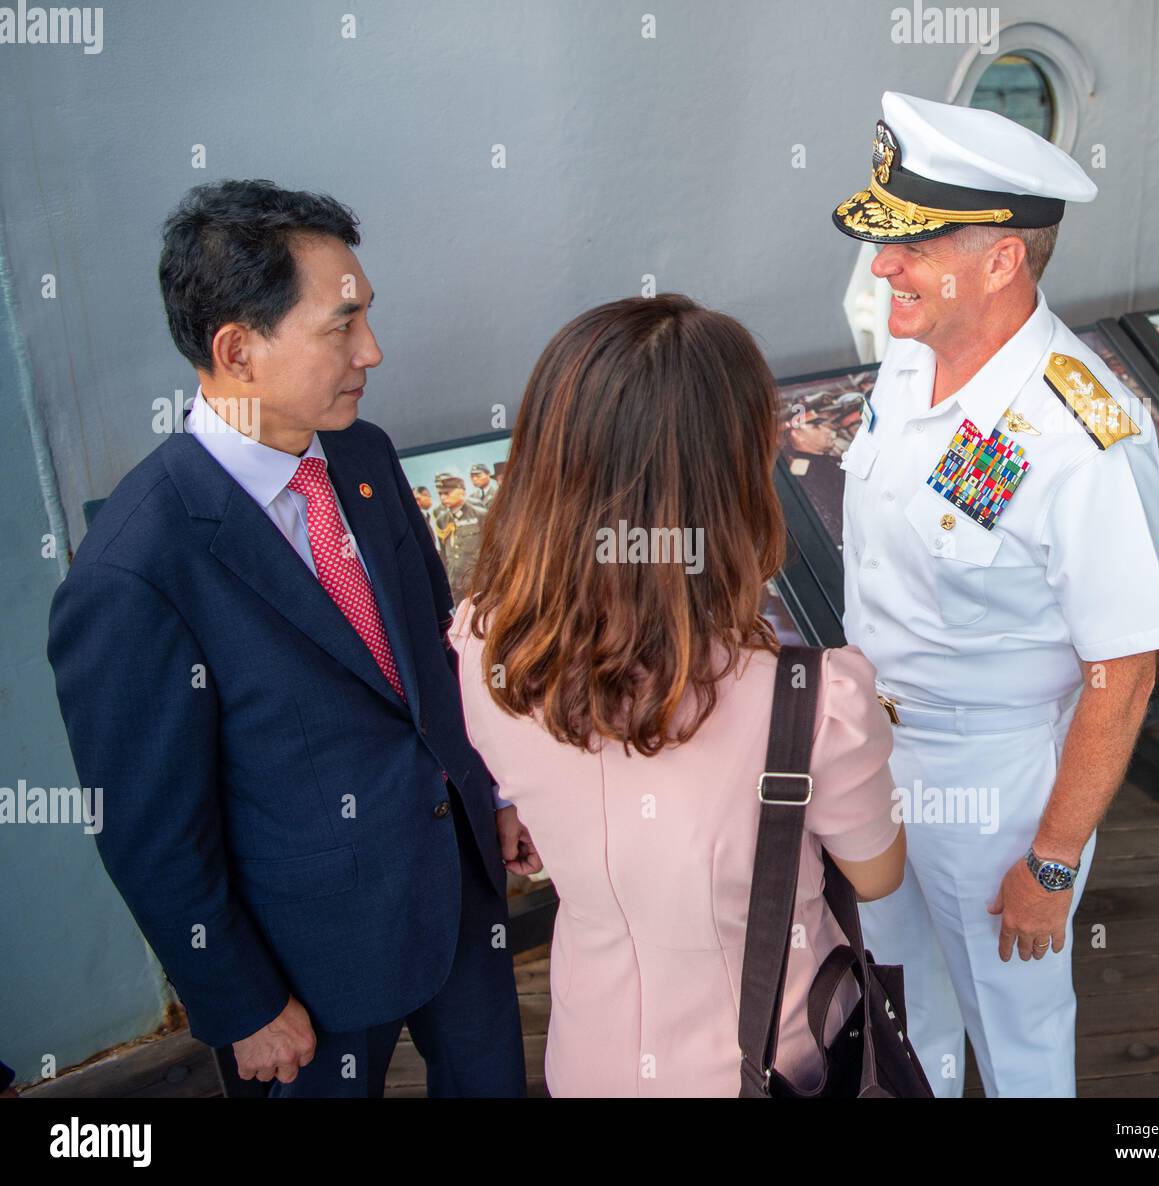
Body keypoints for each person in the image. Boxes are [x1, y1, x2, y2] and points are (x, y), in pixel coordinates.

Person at [46, 179, 532, 1098]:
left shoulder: (363, 455)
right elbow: (150, 831)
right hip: (307, 973)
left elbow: (435, 651)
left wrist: (493, 789)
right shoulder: (134, 569)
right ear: (237, 350)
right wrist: (239, 1002)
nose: (372, 351)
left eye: (368, 317)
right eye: (340, 326)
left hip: (459, 890)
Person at [449, 293, 907, 1096]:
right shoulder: (814, 700)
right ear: (730, 481)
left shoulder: (482, 640)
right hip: (771, 1063)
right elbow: (876, 874)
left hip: (588, 1050)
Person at [830, 92, 1159, 1097]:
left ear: (1000, 261)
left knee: (1018, 1034)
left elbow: (1121, 672)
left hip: (991, 781)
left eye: (910, 245)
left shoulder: (1081, 432)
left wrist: (1053, 860)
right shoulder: (911, 355)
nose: (882, 265)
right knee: (905, 1007)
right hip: (876, 755)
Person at [432, 473, 486, 605]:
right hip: (456, 583)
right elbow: (445, 555)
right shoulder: (442, 520)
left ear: (461, 491)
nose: (443, 497)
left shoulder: (480, 514)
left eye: (447, 493)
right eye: (440, 494)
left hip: (479, 582)